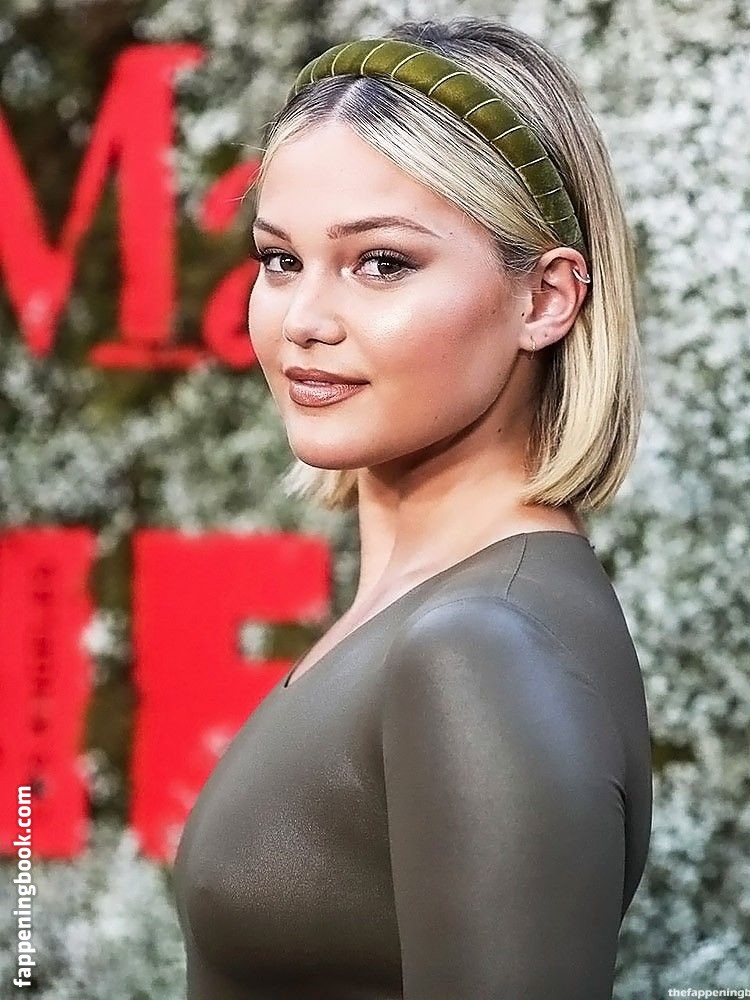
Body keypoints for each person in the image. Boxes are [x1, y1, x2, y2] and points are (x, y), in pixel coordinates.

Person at [173, 16, 652, 999]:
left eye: (382, 262)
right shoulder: (434, 615)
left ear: (545, 300)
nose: (304, 320)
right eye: (279, 260)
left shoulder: (479, 647)